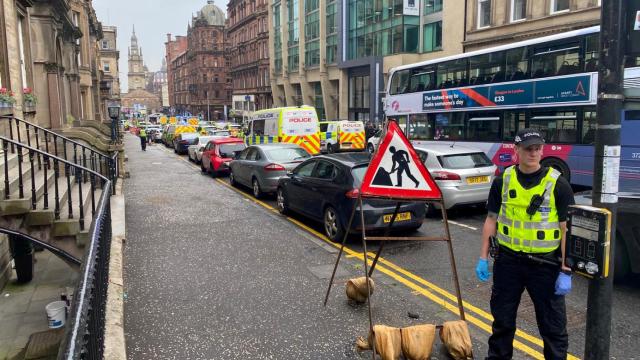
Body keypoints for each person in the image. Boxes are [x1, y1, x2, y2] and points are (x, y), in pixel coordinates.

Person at [475, 128, 574, 360]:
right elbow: (491, 219)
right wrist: (482, 257)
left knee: (553, 329)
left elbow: (565, 229)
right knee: (502, 323)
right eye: (528, 148)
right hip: (508, 262)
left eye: (537, 148)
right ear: (515, 149)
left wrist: (566, 269)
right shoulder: (503, 180)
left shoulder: (558, 185)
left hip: (546, 266)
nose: (533, 152)